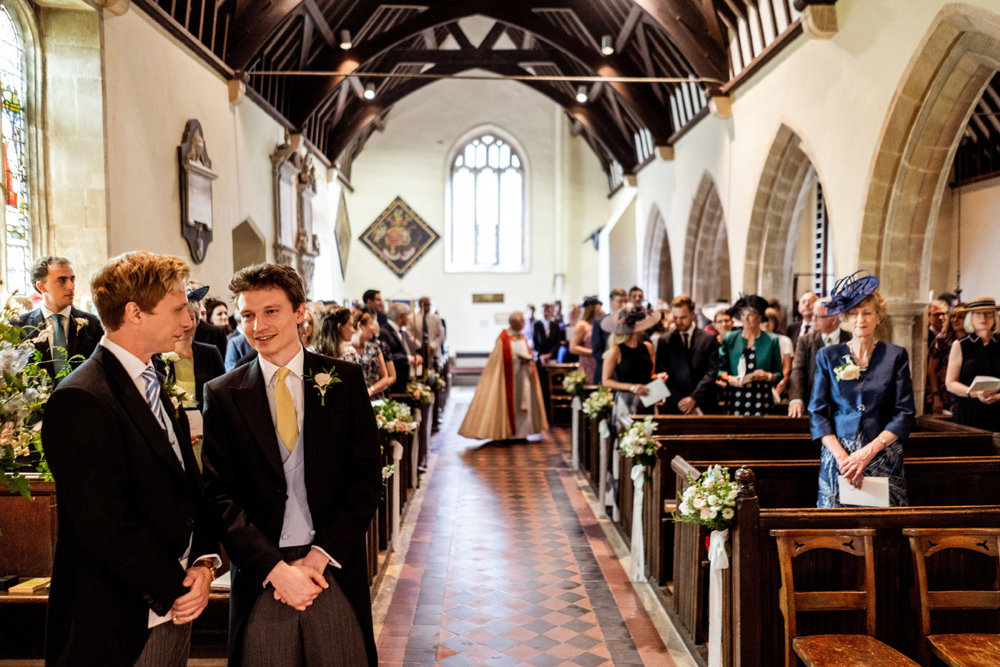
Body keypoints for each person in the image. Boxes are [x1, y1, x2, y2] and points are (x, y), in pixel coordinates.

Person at [42, 252, 219, 666]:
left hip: (174, 603)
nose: (188, 321)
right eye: (177, 309)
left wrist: (204, 563)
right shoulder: (81, 398)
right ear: (134, 312)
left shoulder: (154, 375)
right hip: (120, 618)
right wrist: (176, 585)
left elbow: (187, 483)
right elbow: (105, 524)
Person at [200, 263, 379, 666]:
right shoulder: (224, 394)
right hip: (263, 574)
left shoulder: (344, 381)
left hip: (331, 568)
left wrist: (318, 557)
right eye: (247, 315)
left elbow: (365, 480)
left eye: (271, 311)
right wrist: (276, 569)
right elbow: (219, 495)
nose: (258, 325)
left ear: (300, 312)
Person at [809, 271, 915, 507]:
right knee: (837, 529)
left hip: (882, 452)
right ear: (846, 318)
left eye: (867, 313)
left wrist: (867, 452)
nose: (860, 319)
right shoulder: (828, 356)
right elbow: (817, 413)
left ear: (879, 317)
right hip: (840, 456)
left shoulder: (895, 355)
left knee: (883, 528)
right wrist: (842, 457)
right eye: (854, 313)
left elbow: (905, 413)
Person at [459, 312, 548, 440]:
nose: (523, 324)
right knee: (511, 404)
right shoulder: (504, 338)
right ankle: (508, 434)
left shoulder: (522, 337)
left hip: (523, 376)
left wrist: (527, 361)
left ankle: (522, 433)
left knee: (524, 403)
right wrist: (518, 360)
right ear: (513, 323)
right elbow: (500, 360)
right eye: (521, 322)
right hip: (509, 378)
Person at [15, 256, 104, 382]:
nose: (71, 286)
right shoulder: (19, 327)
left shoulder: (95, 325)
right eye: (62, 280)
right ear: (42, 286)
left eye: (72, 279)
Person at [718, 295, 783, 415]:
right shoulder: (730, 338)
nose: (745, 319)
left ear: (760, 317)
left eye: (751, 315)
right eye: (743, 315)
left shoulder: (771, 340)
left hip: (761, 397)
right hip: (735, 396)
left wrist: (767, 376)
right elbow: (720, 370)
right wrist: (730, 378)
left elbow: (779, 374)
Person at [655, 295, 720, 414]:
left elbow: (711, 373)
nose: (678, 322)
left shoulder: (708, 338)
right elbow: (662, 373)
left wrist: (694, 398)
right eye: (675, 317)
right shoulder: (665, 341)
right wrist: (681, 402)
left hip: (704, 402)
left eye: (683, 317)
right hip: (675, 405)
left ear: (692, 314)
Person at [787, 298, 852, 418]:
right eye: (813, 316)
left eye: (818, 317)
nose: (813, 320)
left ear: (833, 319)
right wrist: (796, 398)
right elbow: (797, 370)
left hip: (845, 410)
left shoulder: (851, 340)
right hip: (813, 406)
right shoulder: (805, 341)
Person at [945, 297, 1000, 431]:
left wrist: (998, 396)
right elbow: (950, 383)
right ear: (971, 317)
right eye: (978, 314)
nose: (983, 318)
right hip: (968, 410)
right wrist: (975, 393)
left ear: (994, 317)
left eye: (988, 313)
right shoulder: (961, 344)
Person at [600, 303, 662, 419]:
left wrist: (659, 377)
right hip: (626, 401)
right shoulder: (616, 351)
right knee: (627, 435)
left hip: (647, 399)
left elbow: (650, 375)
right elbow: (606, 381)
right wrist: (631, 387)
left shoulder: (648, 347)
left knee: (647, 434)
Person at [925, 304, 966, 415]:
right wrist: (936, 396)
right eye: (953, 316)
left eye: (960, 317)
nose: (955, 320)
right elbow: (932, 371)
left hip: (966, 389)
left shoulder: (974, 341)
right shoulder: (942, 339)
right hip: (945, 392)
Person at [352, 310, 393, 398]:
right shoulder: (346, 350)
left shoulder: (374, 348)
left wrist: (371, 390)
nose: (373, 328)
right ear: (360, 326)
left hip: (375, 399)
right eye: (370, 324)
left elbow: (385, 377)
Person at [591, 288, 628, 382]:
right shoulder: (600, 322)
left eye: (625, 301)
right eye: (620, 301)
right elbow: (597, 350)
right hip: (606, 370)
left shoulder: (629, 322)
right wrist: (612, 359)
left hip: (625, 371)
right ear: (611, 302)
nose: (623, 305)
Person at [761, 307, 793, 400]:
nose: (766, 324)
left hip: (779, 385)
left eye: (769, 321)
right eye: (763, 321)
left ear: (775, 322)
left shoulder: (785, 341)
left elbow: (786, 370)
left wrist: (778, 389)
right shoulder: (752, 341)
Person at [569, 296, 602, 383]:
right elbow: (573, 347)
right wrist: (593, 352)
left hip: (598, 362)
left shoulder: (598, 324)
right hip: (588, 363)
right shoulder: (582, 325)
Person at [412, 296, 445, 372]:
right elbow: (409, 335)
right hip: (419, 351)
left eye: (428, 305)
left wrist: (432, 346)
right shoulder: (413, 318)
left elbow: (441, 335)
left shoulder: (436, 318)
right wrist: (421, 346)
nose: (427, 307)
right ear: (420, 305)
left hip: (433, 352)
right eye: (425, 305)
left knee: (433, 374)